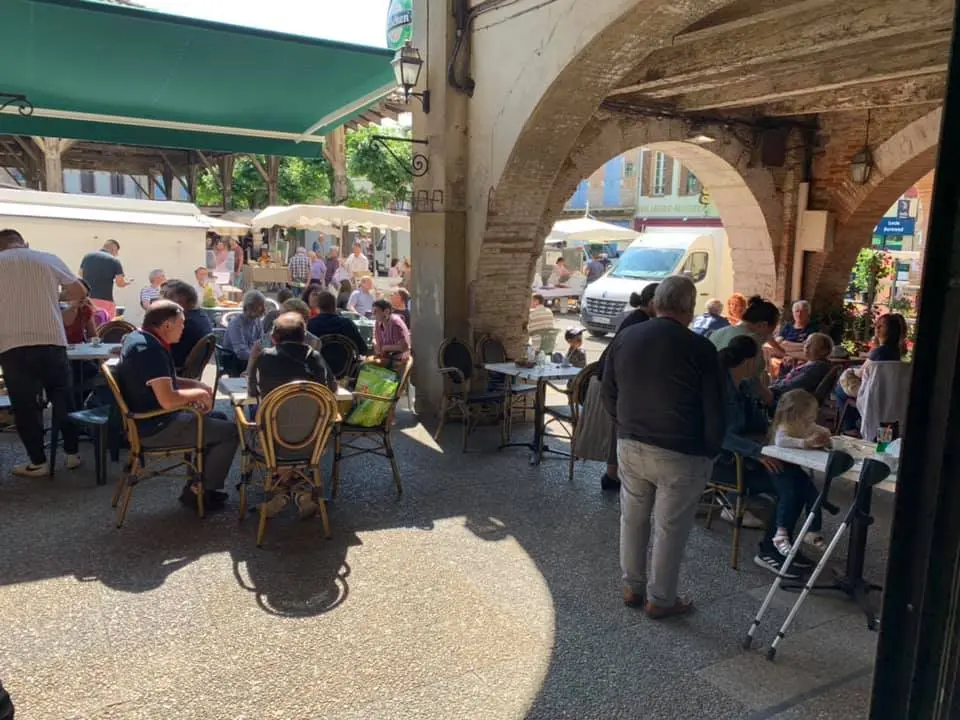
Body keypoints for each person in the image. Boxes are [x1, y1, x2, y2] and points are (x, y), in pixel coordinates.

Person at [601, 276, 725, 618]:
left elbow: (607, 389)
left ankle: (631, 587)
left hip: (631, 443)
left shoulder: (626, 337)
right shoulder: (701, 349)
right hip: (681, 450)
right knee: (670, 528)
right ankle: (661, 599)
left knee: (633, 518)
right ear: (689, 308)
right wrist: (712, 450)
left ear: (656, 303)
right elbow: (715, 407)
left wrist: (624, 423)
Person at [115, 301, 238, 511]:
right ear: (166, 326)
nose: (184, 329)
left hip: (149, 419)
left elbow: (163, 381)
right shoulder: (149, 350)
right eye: (181, 324)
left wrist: (195, 385)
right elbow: (168, 399)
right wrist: (198, 393)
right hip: (156, 426)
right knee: (232, 433)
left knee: (219, 418)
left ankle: (198, 485)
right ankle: (200, 492)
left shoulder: (139, 338)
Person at [716, 335, 819, 577]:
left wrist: (763, 397)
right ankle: (770, 551)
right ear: (751, 362)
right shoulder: (721, 391)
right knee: (790, 486)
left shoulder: (743, 386)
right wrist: (759, 452)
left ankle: (782, 545)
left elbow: (762, 422)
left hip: (752, 455)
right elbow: (722, 436)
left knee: (801, 482)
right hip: (730, 462)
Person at [0, 229, 85, 476]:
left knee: (24, 405)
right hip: (50, 339)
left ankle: (38, 462)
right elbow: (79, 291)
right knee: (63, 397)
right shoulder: (47, 258)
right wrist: (56, 296)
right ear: (24, 243)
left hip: (11, 343)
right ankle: (72, 454)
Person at [595, 283, 659, 493]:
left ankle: (613, 475)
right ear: (651, 303)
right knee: (618, 430)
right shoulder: (638, 323)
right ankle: (613, 476)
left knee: (618, 430)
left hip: (614, 381)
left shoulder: (635, 319)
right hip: (617, 384)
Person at [835, 312, 905, 432]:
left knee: (839, 389)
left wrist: (852, 370)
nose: (876, 328)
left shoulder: (879, 352)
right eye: (877, 325)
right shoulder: (895, 352)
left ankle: (851, 426)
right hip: (887, 392)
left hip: (871, 390)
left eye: (881, 326)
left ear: (891, 330)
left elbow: (863, 372)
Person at [711, 295, 783, 405]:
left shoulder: (718, 332)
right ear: (763, 325)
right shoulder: (751, 342)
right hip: (732, 403)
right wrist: (770, 400)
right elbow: (751, 381)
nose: (769, 336)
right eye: (770, 332)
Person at [250, 311, 337, 399]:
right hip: (312, 412)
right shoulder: (315, 357)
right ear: (304, 336)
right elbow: (332, 388)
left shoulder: (265, 357)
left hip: (273, 412)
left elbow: (253, 391)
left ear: (273, 338)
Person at [161, 281, 214, 371]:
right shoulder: (200, 315)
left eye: (166, 297)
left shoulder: (184, 322)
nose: (161, 301)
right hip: (186, 369)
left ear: (181, 300)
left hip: (174, 370)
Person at [770, 332, 834, 402]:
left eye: (811, 344)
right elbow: (788, 379)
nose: (806, 346)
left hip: (788, 400)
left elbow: (794, 386)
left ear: (824, 351)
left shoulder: (818, 367)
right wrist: (788, 367)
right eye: (806, 343)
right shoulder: (812, 364)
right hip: (784, 393)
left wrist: (771, 388)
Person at [79, 239, 131, 319]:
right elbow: (119, 283)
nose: (116, 254)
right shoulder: (114, 261)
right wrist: (127, 282)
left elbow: (80, 273)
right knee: (105, 327)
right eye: (116, 252)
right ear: (113, 249)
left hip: (87, 299)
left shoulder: (87, 257)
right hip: (105, 300)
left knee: (86, 324)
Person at [222, 290, 266, 375]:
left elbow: (261, 342)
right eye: (256, 308)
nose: (260, 310)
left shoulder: (257, 321)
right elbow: (240, 352)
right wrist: (256, 357)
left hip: (249, 356)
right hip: (232, 358)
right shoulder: (236, 323)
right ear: (247, 307)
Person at [372, 298, 411, 371]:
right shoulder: (378, 322)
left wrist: (385, 348)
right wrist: (376, 345)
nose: (373, 314)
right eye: (373, 311)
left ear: (386, 311)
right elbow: (376, 339)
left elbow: (403, 347)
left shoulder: (395, 323)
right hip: (385, 357)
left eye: (376, 311)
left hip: (398, 360)